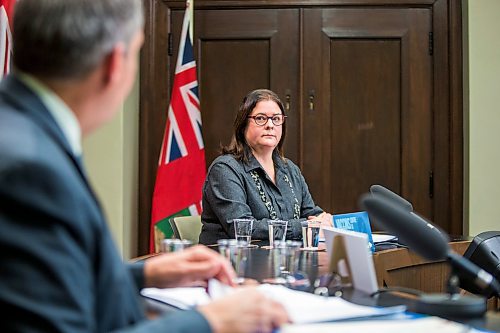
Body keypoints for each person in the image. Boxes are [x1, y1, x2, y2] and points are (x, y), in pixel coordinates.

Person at [0, 1, 289, 332]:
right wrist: (211, 321)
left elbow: (48, 278)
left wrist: (146, 274)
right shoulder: (30, 169)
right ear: (114, 64)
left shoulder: (24, 131)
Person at [199, 89, 332, 245]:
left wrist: (325, 219)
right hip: (233, 262)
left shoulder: (290, 169)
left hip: (284, 261)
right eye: (260, 118)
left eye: (276, 119)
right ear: (243, 125)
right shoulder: (225, 169)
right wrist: (304, 226)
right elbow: (242, 227)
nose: (270, 125)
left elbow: (311, 213)